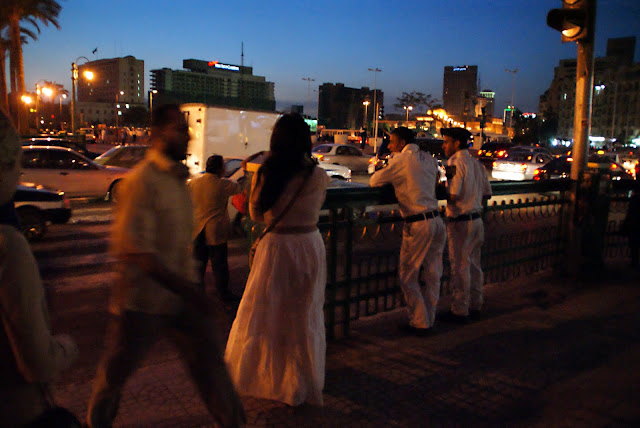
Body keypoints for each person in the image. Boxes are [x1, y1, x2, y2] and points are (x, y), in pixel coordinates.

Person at [87, 104, 244, 428]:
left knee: (210, 366)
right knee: (114, 374)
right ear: (157, 135)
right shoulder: (141, 183)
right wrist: (192, 291)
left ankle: (233, 422)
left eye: (187, 129)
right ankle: (95, 422)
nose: (187, 136)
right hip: (141, 302)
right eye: (179, 129)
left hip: (180, 298)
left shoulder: (179, 179)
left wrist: (189, 291)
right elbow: (137, 252)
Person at [225, 113, 329, 406]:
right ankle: (301, 379)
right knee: (304, 313)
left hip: (278, 246)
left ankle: (274, 378)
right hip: (309, 244)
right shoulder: (318, 174)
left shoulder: (267, 173)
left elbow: (256, 215)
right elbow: (318, 206)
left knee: (269, 313)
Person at [0, 110, 79, 427]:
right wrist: (67, 346)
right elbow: (39, 363)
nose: (19, 174)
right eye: (15, 163)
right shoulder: (8, 246)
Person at [369, 127, 446, 335]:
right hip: (437, 220)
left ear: (402, 143)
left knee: (408, 274)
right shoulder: (429, 159)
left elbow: (374, 181)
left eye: (392, 142)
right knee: (432, 274)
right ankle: (429, 317)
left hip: (417, 222)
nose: (390, 146)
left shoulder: (401, 160)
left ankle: (420, 322)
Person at [440, 127, 492, 324]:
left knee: (460, 266)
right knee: (474, 265)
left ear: (457, 143)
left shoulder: (454, 163)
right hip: (477, 219)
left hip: (460, 222)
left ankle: (460, 310)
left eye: (446, 141)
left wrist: (438, 188)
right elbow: (487, 193)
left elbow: (453, 194)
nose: (443, 145)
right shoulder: (476, 164)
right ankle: (476, 304)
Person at [190, 155, 244, 301]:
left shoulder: (194, 183)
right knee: (219, 266)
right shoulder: (223, 184)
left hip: (197, 230)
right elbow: (240, 188)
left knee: (198, 265)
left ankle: (197, 295)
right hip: (215, 231)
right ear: (220, 168)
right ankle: (224, 295)